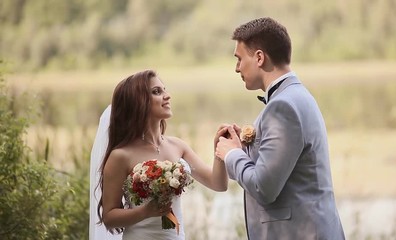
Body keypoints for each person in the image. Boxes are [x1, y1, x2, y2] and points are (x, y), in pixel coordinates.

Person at [215, 17, 345, 239]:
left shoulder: (283, 106)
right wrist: (241, 150)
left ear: (259, 57)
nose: (237, 68)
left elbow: (264, 188)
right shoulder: (296, 96)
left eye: (239, 59)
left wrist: (232, 154)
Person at [89, 70, 229, 240]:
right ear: (138, 102)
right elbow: (109, 218)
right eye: (157, 92)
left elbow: (219, 184)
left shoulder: (178, 146)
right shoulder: (121, 156)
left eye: (164, 89)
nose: (167, 96)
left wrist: (219, 149)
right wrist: (144, 212)